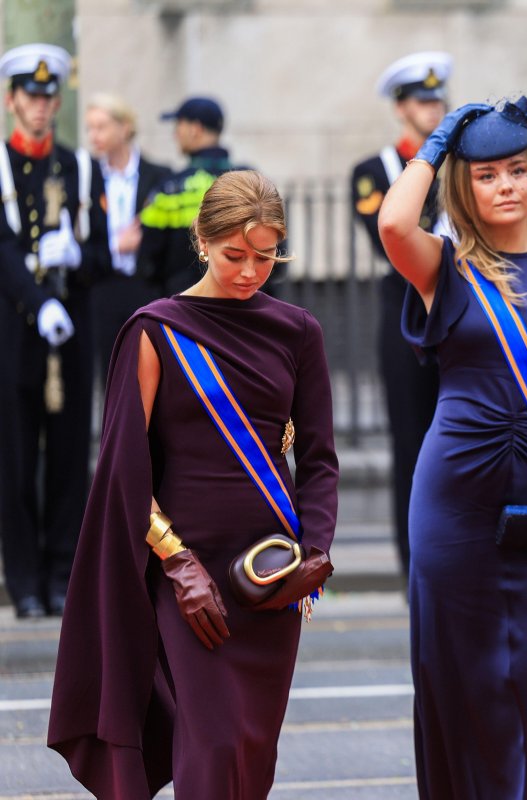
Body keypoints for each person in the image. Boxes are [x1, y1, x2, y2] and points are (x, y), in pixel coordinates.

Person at [47, 170, 338, 798]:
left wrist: (316, 551)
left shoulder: (299, 331)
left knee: (253, 756)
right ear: (201, 242)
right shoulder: (155, 329)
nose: (249, 272)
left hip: (271, 575)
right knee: (212, 748)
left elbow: (318, 458)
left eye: (265, 257)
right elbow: (124, 471)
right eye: (235, 255)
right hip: (189, 577)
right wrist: (177, 564)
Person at [378, 96, 527, 798]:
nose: (506, 185)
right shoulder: (445, 269)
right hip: (455, 507)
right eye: (486, 175)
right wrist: (441, 138)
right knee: (463, 693)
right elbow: (394, 221)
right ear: (465, 187)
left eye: (517, 170)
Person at [0, 44, 109, 619]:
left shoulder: (81, 167)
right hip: (16, 333)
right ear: (11, 100)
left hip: (71, 328)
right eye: (30, 96)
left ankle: (63, 572)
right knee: (16, 459)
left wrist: (76, 257)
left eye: (48, 96)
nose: (40, 106)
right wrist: (37, 300)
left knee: (70, 457)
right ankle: (23, 580)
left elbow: (104, 254)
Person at [350, 50, 452, 577]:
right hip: (406, 308)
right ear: (400, 108)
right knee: (410, 440)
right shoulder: (375, 172)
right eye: (421, 101)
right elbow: (386, 237)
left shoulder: (463, 164)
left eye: (437, 100)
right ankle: (416, 566)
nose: (432, 109)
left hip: (461, 307)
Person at [85, 93, 172, 370]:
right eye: (90, 128)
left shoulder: (157, 175)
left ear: (124, 128)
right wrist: (116, 246)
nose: (93, 135)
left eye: (101, 127)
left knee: (149, 368)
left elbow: (166, 235)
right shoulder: (88, 176)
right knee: (110, 372)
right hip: (104, 285)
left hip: (145, 284)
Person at [139, 96, 248, 297]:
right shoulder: (249, 181)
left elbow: (148, 260)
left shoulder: (170, 188)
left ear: (195, 129)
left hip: (183, 306)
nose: (175, 134)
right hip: (240, 302)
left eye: (178, 125)